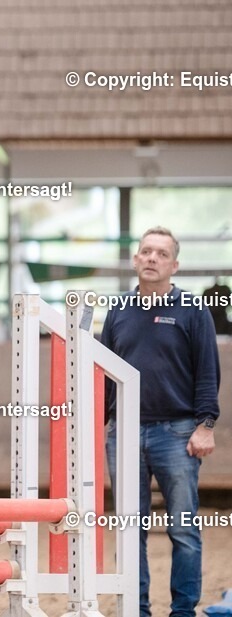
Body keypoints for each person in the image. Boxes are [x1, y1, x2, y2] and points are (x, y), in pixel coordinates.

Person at [103, 226, 221, 617]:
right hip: (124, 432)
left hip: (177, 433)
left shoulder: (192, 310)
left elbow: (207, 371)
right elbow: (105, 374)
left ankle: (183, 611)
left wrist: (206, 424)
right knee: (129, 528)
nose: (152, 258)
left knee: (184, 530)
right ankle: (135, 610)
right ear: (136, 260)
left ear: (174, 265)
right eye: (146, 252)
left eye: (161, 253)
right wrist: (98, 426)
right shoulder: (117, 311)